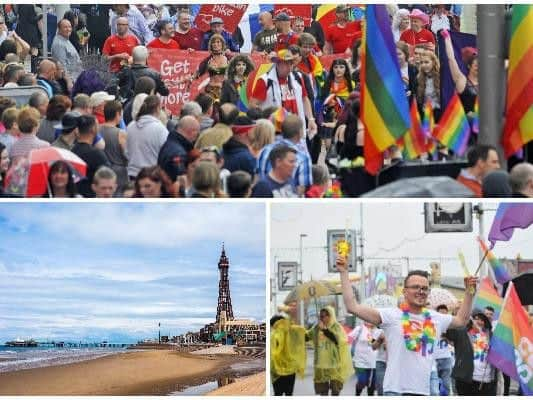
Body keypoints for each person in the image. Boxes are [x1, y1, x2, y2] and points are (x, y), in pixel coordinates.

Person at [338, 255, 478, 395]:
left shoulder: (436, 318)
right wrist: (344, 272)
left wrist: (469, 292)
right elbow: (352, 307)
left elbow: (462, 320)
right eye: (415, 287)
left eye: (424, 288)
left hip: (423, 391)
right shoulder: (391, 316)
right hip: (395, 391)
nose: (420, 291)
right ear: (405, 292)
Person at [249, 49, 318, 151]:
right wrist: (267, 120)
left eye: (291, 63)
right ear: (277, 64)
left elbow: (304, 99)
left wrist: (311, 119)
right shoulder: (265, 80)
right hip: (275, 134)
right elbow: (252, 105)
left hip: (296, 131)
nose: (289, 67)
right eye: (285, 63)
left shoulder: (298, 77)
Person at [257, 114, 312, 196]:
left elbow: (257, 178)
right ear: (300, 133)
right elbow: (301, 189)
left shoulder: (264, 150)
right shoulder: (303, 157)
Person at [445, 311, 496, 395]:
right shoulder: (462, 332)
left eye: (482, 320)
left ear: (485, 322)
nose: (479, 322)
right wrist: (455, 315)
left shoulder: (491, 336)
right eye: (476, 319)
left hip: (486, 381)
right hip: (466, 380)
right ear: (471, 321)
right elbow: (448, 332)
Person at [306, 306, 354, 395]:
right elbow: (307, 336)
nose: (322, 318)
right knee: (323, 391)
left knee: (335, 390)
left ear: (330, 316)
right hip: (320, 364)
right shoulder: (317, 327)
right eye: (320, 316)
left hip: (334, 364)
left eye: (324, 316)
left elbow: (338, 340)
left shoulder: (337, 327)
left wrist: (325, 330)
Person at [126, 95, 169, 179]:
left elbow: (126, 151)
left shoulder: (130, 126)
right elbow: (165, 154)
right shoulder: (160, 128)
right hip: (151, 175)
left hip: (133, 174)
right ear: (157, 108)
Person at [71, 115, 109, 197]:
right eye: (97, 125)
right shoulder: (96, 154)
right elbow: (108, 177)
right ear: (93, 129)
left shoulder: (71, 151)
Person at [441, 29, 478, 115]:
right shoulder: (461, 80)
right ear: (469, 66)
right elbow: (451, 59)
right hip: (463, 124)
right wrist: (447, 38)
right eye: (476, 66)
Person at [270, 315, 306, 396]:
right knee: (288, 393)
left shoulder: (273, 335)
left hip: (277, 371)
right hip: (289, 370)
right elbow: (305, 336)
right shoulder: (293, 334)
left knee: (278, 393)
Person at [158, 115, 200, 182]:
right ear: (191, 131)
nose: (196, 137)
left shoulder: (170, 143)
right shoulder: (179, 153)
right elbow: (181, 180)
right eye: (197, 133)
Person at [100, 100, 128, 192]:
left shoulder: (97, 129)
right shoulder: (121, 133)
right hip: (119, 175)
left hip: (101, 172)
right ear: (117, 114)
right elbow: (127, 155)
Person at [349, 322, 379, 396]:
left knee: (372, 385)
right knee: (362, 381)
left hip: (373, 363)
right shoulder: (359, 329)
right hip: (360, 362)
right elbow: (349, 338)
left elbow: (378, 344)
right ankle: (357, 394)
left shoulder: (379, 330)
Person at [434, 304, 454, 396]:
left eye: (445, 314)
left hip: (446, 358)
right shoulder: (430, 324)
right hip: (433, 359)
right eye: (441, 314)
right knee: (434, 385)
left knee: (446, 385)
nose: (443, 316)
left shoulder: (450, 326)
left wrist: (447, 337)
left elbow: (454, 343)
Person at [416, 49, 441, 120]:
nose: (423, 65)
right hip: (425, 114)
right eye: (421, 62)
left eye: (426, 62)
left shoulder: (441, 77)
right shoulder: (418, 78)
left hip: (439, 113)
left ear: (433, 62)